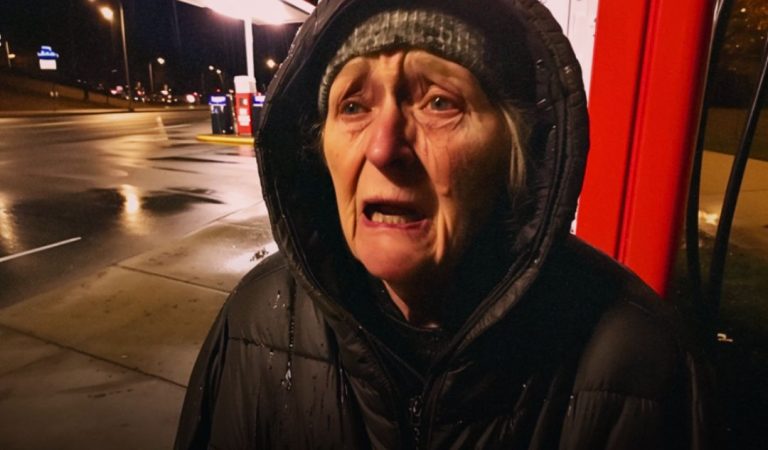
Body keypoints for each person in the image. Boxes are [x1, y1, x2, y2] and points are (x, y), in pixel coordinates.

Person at [176, 0, 716, 448]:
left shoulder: (640, 361)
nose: (385, 147)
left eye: (439, 102)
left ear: (516, 151)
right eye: (354, 106)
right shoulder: (254, 323)